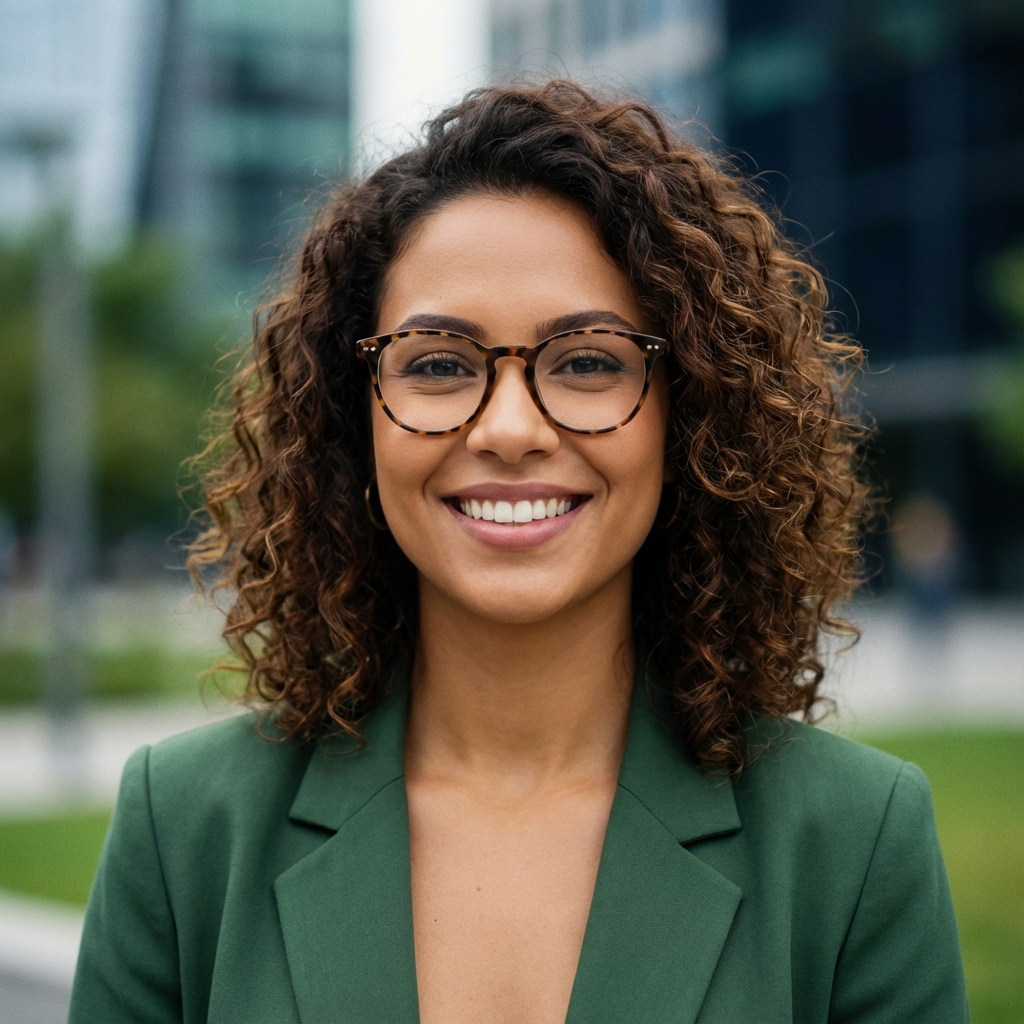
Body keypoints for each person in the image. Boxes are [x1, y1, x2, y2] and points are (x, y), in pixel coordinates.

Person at [69, 81, 967, 1024]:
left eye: (586, 361)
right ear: (353, 419)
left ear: (691, 418)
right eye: (439, 364)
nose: (506, 428)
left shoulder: (855, 840)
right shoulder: (184, 829)